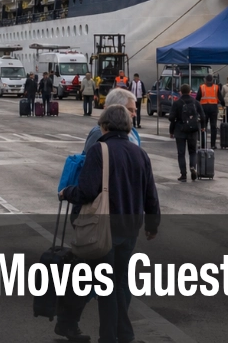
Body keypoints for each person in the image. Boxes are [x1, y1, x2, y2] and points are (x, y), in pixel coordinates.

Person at [60, 105, 160, 343]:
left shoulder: (99, 150)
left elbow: (86, 191)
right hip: (131, 229)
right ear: (128, 126)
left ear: (104, 126)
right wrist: (152, 225)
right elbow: (151, 194)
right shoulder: (140, 153)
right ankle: (122, 335)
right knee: (118, 283)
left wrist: (66, 193)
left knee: (107, 287)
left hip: (105, 229)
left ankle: (111, 337)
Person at [169, 84, 205, 182]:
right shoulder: (196, 102)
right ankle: (193, 167)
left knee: (181, 153)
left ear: (180, 92)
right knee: (192, 152)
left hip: (180, 130)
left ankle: (183, 175)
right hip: (193, 130)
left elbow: (171, 118)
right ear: (190, 92)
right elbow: (202, 116)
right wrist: (202, 127)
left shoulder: (177, 103)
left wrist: (171, 131)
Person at [198, 75, 221, 148]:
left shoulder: (202, 87)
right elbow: (221, 98)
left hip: (204, 108)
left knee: (203, 126)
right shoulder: (216, 87)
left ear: (205, 80)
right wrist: (223, 104)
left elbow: (197, 98)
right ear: (212, 80)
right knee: (213, 126)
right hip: (213, 108)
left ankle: (203, 144)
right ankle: (213, 145)